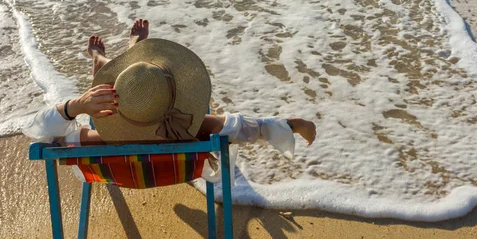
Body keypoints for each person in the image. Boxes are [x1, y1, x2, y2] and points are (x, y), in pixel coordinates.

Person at [23, 19, 316, 157]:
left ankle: (102, 60)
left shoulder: (97, 140)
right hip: (179, 159)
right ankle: (134, 54)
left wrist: (74, 107)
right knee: (165, 89)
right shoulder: (193, 127)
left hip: (119, 163)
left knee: (111, 92)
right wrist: (292, 124)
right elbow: (246, 127)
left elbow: (43, 138)